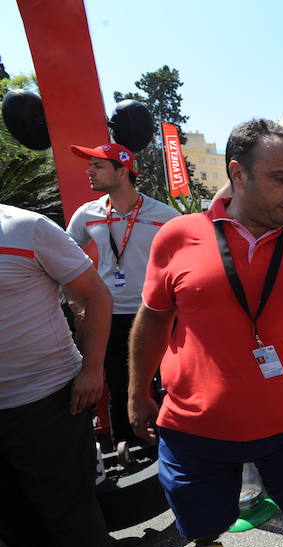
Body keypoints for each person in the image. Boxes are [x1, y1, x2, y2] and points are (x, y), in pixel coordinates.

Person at [127, 119, 283, 547]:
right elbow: (152, 319)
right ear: (238, 174)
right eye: (280, 178)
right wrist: (137, 392)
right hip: (195, 424)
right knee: (202, 527)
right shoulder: (178, 236)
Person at [0, 201, 114, 547]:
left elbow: (95, 296)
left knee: (68, 512)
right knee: (15, 514)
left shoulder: (25, 228)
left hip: (45, 400)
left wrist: (93, 369)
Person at [65, 142, 180, 446]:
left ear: (122, 171)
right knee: (118, 385)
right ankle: (128, 448)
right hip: (109, 316)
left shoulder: (164, 215)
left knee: (166, 383)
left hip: (154, 315)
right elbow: (62, 260)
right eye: (90, 164)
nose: (88, 171)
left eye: (97, 165)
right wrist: (78, 307)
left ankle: (171, 443)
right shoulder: (87, 214)